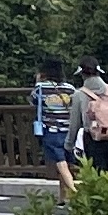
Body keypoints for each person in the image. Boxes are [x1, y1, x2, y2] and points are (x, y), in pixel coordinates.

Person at [30, 60, 82, 195]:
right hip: (69, 130)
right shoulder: (70, 88)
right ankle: (63, 198)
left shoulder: (40, 87)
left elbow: (33, 101)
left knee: (60, 162)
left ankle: (74, 191)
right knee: (67, 163)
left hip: (51, 129)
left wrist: (37, 82)